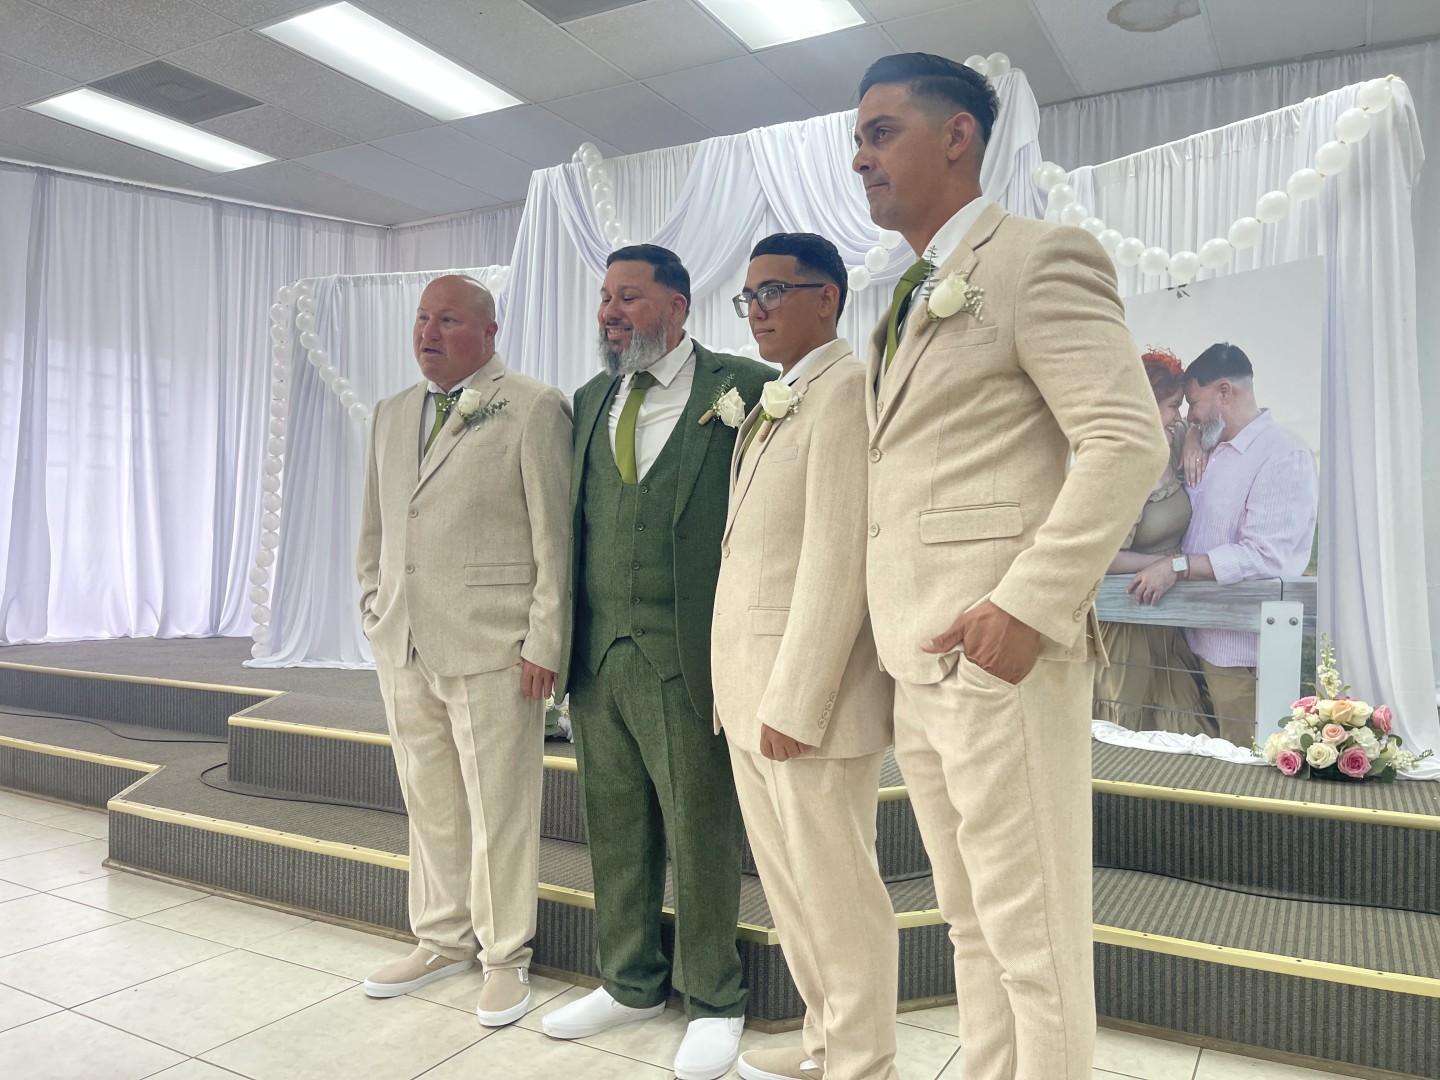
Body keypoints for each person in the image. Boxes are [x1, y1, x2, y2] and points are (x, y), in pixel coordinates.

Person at [852, 53, 1169, 1080]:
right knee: (971, 923)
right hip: (920, 660)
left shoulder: (1038, 258)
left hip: (1000, 656)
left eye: (881, 132)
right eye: (857, 139)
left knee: (1035, 942)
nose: (860, 158)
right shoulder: (902, 299)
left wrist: (1026, 606)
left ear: (958, 136)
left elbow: (1126, 440)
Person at [544, 244, 772, 1080]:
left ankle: (714, 997)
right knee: (613, 823)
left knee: (701, 827)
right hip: (598, 653)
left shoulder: (745, 388)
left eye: (629, 297)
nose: (610, 312)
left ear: (677, 306)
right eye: (605, 297)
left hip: (691, 652)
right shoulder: (590, 398)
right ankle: (629, 981)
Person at [355, 275, 572, 1026]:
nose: (428, 331)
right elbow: (376, 529)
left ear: (489, 332)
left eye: (447, 319)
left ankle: (505, 956)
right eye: (422, 318)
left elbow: (553, 539)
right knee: (429, 800)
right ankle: (441, 938)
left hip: (494, 644)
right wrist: (374, 608)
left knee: (500, 808)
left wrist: (544, 640)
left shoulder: (533, 407)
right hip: (404, 641)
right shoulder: (390, 413)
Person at [714, 233, 898, 1080]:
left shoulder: (846, 391)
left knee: (838, 890)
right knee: (792, 887)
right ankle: (826, 1037)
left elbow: (836, 563)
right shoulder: (777, 398)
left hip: (806, 700)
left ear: (827, 298)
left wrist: (796, 700)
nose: (756, 310)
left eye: (774, 292)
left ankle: (863, 1059)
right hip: (748, 687)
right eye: (748, 296)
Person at [1167, 342, 1319, 744]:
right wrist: (1193, 434)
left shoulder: (1283, 455)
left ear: (1224, 391)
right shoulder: (1212, 444)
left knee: (1245, 764)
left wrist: (1177, 566)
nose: (1190, 414)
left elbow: (1266, 556)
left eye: (1194, 402)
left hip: (1241, 651)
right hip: (1194, 640)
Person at [1093, 348, 1211, 733]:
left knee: (1183, 716)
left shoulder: (1171, 442)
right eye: (1173, 406)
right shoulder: (1121, 468)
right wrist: (1169, 564)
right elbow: (1106, 558)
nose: (1179, 416)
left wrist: (1193, 437)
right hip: (1128, 616)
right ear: (1145, 405)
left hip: (1166, 612)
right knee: (1128, 723)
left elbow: (1211, 424)